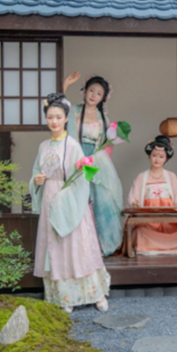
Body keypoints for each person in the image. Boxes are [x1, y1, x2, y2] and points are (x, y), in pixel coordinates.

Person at [30, 93, 110, 313]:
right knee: (55, 246)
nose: (54, 121)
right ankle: (64, 296)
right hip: (49, 199)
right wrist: (36, 180)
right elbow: (36, 171)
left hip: (70, 200)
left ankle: (96, 293)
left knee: (77, 245)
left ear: (66, 118)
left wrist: (68, 195)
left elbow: (83, 176)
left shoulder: (73, 145)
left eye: (58, 117)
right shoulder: (43, 146)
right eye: (50, 117)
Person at [62, 71, 124, 256]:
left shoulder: (103, 118)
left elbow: (107, 143)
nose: (93, 95)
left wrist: (97, 159)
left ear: (103, 98)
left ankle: (100, 245)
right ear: (85, 90)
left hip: (95, 161)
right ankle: (77, 246)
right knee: (77, 198)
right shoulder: (74, 110)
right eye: (91, 90)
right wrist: (65, 84)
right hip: (75, 158)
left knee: (100, 200)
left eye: (98, 93)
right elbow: (58, 107)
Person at [127, 135, 177, 255]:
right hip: (149, 223)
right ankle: (164, 245)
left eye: (161, 156)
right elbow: (132, 197)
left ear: (166, 159)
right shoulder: (141, 177)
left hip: (170, 221)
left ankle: (159, 246)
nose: (157, 159)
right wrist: (134, 203)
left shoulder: (171, 176)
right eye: (154, 155)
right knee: (140, 232)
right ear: (149, 156)